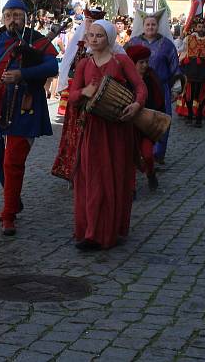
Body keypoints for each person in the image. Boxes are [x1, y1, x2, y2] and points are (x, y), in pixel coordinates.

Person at [68, 21, 147, 250]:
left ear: (109, 38)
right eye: (91, 35)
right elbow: (72, 95)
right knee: (91, 179)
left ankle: (110, 230)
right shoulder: (84, 63)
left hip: (116, 129)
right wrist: (84, 91)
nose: (93, 39)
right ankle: (90, 231)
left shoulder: (121, 61)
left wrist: (136, 105)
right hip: (92, 129)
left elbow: (141, 87)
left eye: (99, 36)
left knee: (113, 177)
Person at [0, 0, 58, 235]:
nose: (12, 20)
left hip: (25, 104)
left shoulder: (37, 40)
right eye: (8, 15)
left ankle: (9, 214)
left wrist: (23, 74)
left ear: (25, 17)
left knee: (13, 161)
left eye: (17, 15)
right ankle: (13, 200)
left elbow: (52, 67)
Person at [52, 7, 105, 181]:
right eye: (89, 21)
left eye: (95, 22)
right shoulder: (79, 43)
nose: (91, 26)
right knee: (75, 132)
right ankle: (72, 168)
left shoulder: (109, 44)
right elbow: (67, 62)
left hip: (100, 96)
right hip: (78, 95)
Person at [126, 14, 179, 164]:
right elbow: (123, 61)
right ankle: (139, 153)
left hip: (160, 89)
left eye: (153, 24)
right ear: (143, 26)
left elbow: (175, 67)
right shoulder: (133, 42)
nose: (150, 27)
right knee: (137, 119)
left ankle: (157, 155)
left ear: (158, 26)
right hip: (136, 87)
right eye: (148, 24)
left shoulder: (167, 44)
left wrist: (176, 88)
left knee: (161, 120)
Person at [125, 45, 163, 191]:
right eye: (141, 62)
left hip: (146, 126)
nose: (145, 65)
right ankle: (131, 188)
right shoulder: (125, 80)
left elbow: (158, 102)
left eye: (146, 62)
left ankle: (151, 173)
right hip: (129, 127)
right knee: (130, 158)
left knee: (147, 155)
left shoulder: (151, 78)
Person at [177, 17, 205, 127]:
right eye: (199, 26)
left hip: (204, 72)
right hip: (191, 70)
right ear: (196, 28)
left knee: (202, 96)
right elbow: (181, 50)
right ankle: (189, 114)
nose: (201, 29)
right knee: (188, 95)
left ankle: (199, 117)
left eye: (203, 27)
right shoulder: (189, 39)